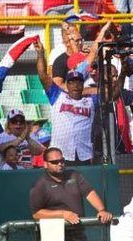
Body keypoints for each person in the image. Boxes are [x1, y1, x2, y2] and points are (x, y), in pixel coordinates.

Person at [35, 37, 101, 166]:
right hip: (60, 155)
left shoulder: (91, 101)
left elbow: (112, 93)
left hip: (84, 156)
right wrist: (40, 53)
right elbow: (43, 75)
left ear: (83, 85)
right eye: (72, 83)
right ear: (67, 84)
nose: (75, 85)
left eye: (78, 82)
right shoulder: (57, 95)